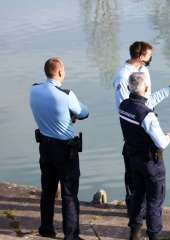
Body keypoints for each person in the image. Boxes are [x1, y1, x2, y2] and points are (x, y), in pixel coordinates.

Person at [112, 41, 170, 212]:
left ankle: (143, 214)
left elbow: (147, 101)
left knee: (149, 179)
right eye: (149, 58)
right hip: (136, 130)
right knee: (135, 178)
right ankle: (136, 212)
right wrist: (148, 121)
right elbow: (125, 110)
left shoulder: (144, 71)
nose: (150, 61)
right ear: (141, 57)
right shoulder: (122, 77)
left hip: (147, 125)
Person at [30, 57, 89, 240]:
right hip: (66, 151)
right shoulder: (66, 94)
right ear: (61, 72)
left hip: (45, 147)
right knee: (69, 194)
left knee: (47, 190)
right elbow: (84, 112)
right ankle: (71, 235)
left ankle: (46, 228)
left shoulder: (34, 90)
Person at [119, 72, 170, 240]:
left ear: (129, 88)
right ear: (147, 88)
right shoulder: (147, 115)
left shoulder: (123, 106)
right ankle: (153, 235)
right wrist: (169, 137)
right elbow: (161, 143)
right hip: (151, 164)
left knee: (137, 197)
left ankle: (134, 233)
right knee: (154, 202)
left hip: (133, 160)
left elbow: (143, 103)